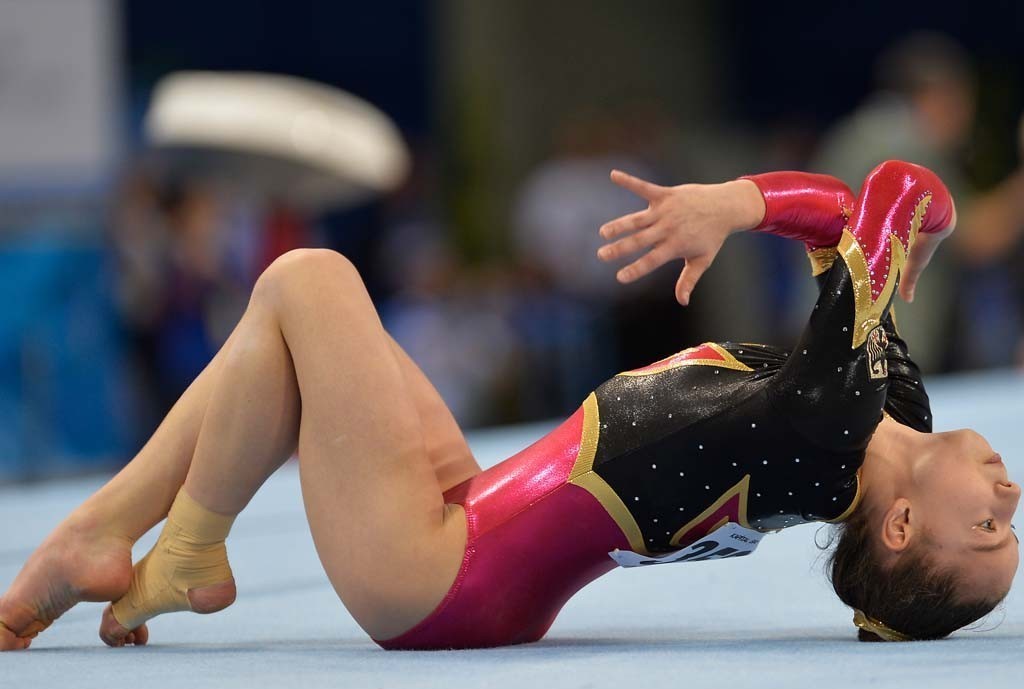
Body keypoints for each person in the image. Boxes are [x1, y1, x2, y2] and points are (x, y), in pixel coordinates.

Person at [0, 160, 1017, 651]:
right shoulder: (886, 405)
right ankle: (97, 536)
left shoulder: (828, 432)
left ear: (897, 524)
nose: (1009, 489)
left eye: (989, 525)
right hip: (469, 518)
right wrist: (895, 221)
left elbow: (887, 189)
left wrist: (734, 202)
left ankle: (187, 553)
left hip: (440, 579)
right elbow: (864, 220)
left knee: (307, 280)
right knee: (281, 342)